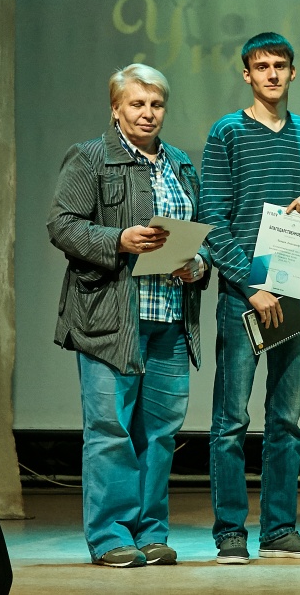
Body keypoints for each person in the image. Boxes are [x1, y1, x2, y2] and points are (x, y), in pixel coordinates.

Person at [48, 63, 209, 568]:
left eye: (156, 104)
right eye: (137, 103)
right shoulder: (91, 157)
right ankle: (111, 536)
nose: (147, 113)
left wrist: (197, 265)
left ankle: (150, 532)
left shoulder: (179, 163)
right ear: (116, 108)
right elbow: (62, 225)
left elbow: (198, 233)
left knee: (159, 434)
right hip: (110, 320)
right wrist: (117, 239)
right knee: (110, 431)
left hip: (170, 317)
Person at [200, 32, 300, 564]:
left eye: (280, 65)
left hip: (295, 288)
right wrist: (251, 287)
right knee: (231, 419)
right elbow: (212, 218)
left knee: (286, 417)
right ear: (247, 75)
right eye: (262, 67)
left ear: (293, 72)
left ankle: (279, 530)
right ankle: (230, 534)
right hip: (245, 294)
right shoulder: (227, 132)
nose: (272, 74)